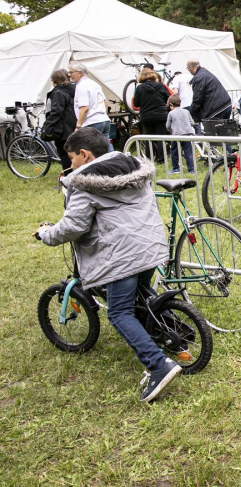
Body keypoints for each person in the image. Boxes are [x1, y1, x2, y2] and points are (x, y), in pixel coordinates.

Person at [36, 128, 180, 403]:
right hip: (150, 245)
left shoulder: (84, 182)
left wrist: (47, 234)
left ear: (85, 154)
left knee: (119, 312)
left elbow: (74, 225)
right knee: (142, 295)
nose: (70, 164)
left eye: (71, 158)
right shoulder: (132, 166)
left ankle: (158, 365)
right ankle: (174, 331)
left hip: (121, 256)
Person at [68, 62, 113, 152]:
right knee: (107, 148)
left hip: (91, 122)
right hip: (103, 119)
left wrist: (78, 126)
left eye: (71, 72)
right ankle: (116, 163)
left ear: (80, 72)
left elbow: (84, 108)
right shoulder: (94, 83)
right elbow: (105, 102)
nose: (69, 75)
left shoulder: (81, 86)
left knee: (92, 151)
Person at [132, 67, 172, 163]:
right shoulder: (160, 86)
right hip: (161, 115)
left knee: (148, 137)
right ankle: (161, 159)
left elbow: (136, 103)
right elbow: (168, 99)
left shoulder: (139, 88)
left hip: (146, 116)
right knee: (161, 137)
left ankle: (149, 159)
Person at [42, 69, 77, 172]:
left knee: (65, 154)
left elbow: (56, 112)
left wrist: (48, 128)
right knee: (75, 153)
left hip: (63, 129)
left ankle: (68, 178)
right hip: (75, 126)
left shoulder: (58, 92)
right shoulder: (75, 89)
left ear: (54, 81)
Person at [186, 59, 232, 124]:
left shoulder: (199, 77)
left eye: (187, 68)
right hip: (226, 104)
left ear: (191, 67)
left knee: (212, 132)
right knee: (223, 131)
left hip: (216, 109)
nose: (188, 70)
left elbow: (197, 98)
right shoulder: (205, 73)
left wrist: (191, 112)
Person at [165, 94, 195, 174]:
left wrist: (170, 130)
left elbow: (167, 125)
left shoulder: (171, 113)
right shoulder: (186, 111)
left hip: (177, 135)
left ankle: (176, 168)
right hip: (188, 134)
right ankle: (191, 169)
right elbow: (192, 122)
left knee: (174, 152)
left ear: (171, 105)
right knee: (188, 152)